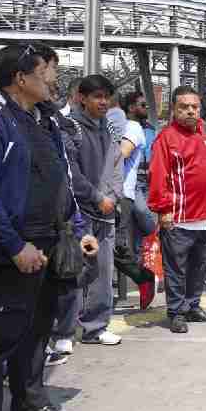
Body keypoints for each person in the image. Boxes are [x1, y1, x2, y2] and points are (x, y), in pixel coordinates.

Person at [0, 44, 97, 411]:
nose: (52, 80)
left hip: (51, 242)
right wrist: (14, 245)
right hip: (13, 249)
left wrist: (79, 228)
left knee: (37, 329)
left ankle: (28, 402)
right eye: (46, 71)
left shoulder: (46, 119)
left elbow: (63, 180)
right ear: (21, 78)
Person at [148, 86, 206, 334]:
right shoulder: (166, 138)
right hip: (178, 219)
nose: (190, 111)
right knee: (176, 270)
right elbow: (158, 176)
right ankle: (176, 312)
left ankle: (193, 306)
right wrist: (163, 210)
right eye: (184, 107)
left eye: (194, 107)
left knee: (200, 267)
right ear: (174, 109)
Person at [60, 75, 123, 347]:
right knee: (73, 273)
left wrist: (113, 196)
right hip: (78, 214)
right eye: (97, 96)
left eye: (106, 97)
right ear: (81, 98)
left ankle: (95, 328)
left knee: (102, 272)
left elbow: (117, 164)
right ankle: (62, 332)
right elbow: (70, 172)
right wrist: (97, 197)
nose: (103, 102)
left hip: (105, 212)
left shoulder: (107, 128)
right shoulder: (69, 128)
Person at [114, 91, 157, 301]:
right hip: (116, 192)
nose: (146, 108)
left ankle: (144, 277)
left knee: (117, 247)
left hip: (121, 194)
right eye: (142, 104)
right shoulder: (125, 126)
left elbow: (121, 153)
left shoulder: (133, 128)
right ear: (131, 107)